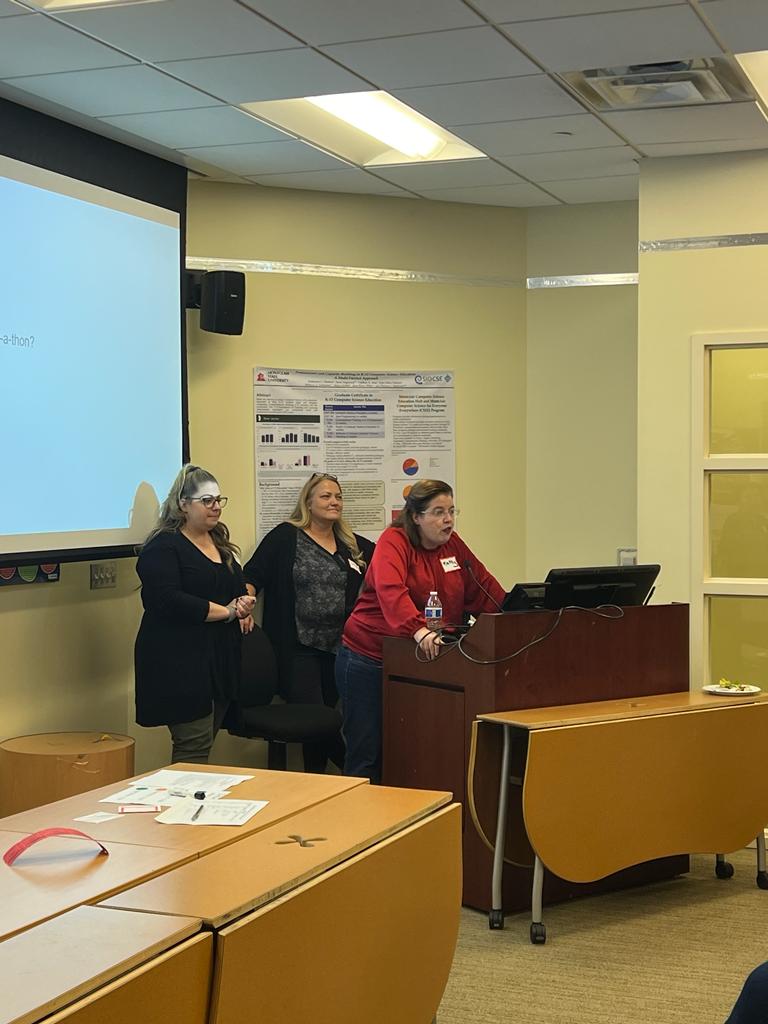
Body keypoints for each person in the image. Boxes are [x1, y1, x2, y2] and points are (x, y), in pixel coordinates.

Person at [337, 479, 505, 783]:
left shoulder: (453, 546)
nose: (448, 520)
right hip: (370, 659)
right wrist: (418, 629)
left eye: (451, 511)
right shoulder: (394, 540)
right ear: (416, 516)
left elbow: (483, 587)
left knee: (413, 749)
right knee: (368, 753)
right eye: (438, 512)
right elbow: (391, 591)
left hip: (423, 663)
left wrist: (512, 615)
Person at [243, 473, 374, 773]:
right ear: (308, 503)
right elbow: (252, 575)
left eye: (338, 496)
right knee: (318, 721)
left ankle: (323, 781)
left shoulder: (351, 544)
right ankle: (362, 774)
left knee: (325, 720)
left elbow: (387, 570)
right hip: (298, 647)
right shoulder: (286, 537)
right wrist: (244, 604)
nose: (334, 502)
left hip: (339, 647)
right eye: (326, 496)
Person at [134, 464, 255, 764]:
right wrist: (226, 612)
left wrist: (243, 606)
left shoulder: (219, 541)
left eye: (218, 500)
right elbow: (167, 600)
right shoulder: (163, 547)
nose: (216, 507)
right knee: (193, 746)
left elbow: (235, 586)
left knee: (205, 742)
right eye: (207, 500)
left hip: (220, 659)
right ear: (183, 504)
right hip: (179, 661)